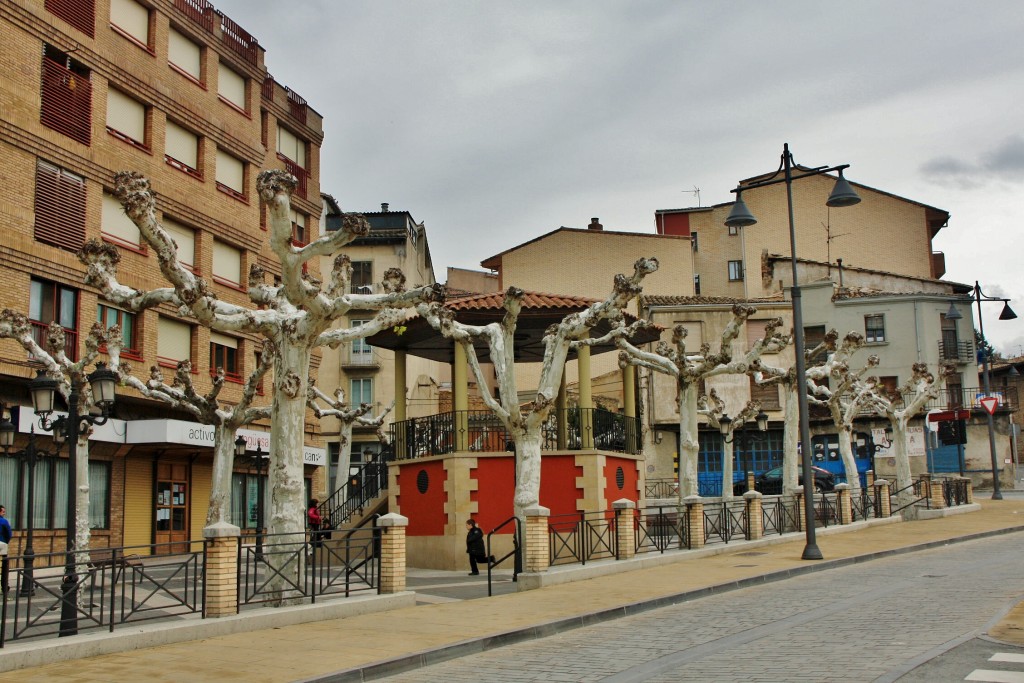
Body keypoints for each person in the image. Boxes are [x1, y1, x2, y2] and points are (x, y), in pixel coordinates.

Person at [0, 505, 12, 593]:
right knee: (4, 567)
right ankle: (4, 587)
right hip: (2, 544)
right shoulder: (4, 521)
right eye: (3, 511)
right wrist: (6, 542)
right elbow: (9, 534)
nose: (4, 513)